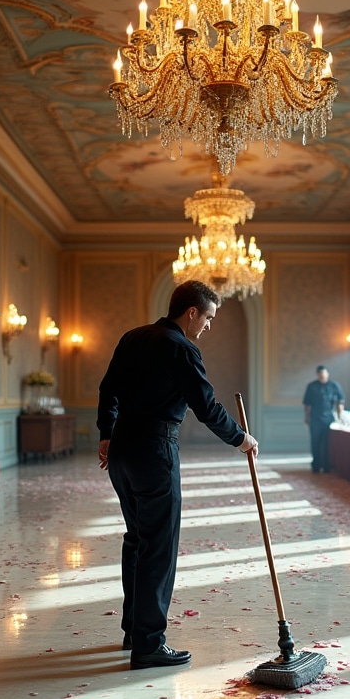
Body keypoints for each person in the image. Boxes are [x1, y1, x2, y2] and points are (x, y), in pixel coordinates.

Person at [97, 280, 258, 670]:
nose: (208, 326)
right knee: (159, 545)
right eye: (208, 318)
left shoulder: (132, 337)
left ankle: (134, 630)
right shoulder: (182, 348)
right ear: (191, 312)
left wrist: (106, 433)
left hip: (121, 449)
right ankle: (148, 644)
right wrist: (241, 439)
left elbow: (108, 390)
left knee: (137, 539)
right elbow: (206, 407)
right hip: (154, 450)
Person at [302, 365, 345, 473]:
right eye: (320, 375)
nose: (322, 376)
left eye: (324, 374)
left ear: (327, 374)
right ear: (318, 375)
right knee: (315, 442)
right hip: (315, 418)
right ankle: (316, 465)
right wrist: (307, 417)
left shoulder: (334, 386)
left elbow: (340, 402)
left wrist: (340, 417)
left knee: (327, 443)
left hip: (329, 418)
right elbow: (307, 404)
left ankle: (327, 466)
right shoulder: (311, 386)